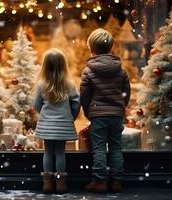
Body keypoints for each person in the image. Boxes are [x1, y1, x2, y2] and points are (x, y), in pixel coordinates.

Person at [80, 28, 131, 193]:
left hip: (98, 115)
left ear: (91, 48)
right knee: (116, 147)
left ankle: (99, 181)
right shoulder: (121, 70)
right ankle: (117, 181)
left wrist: (89, 112)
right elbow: (126, 92)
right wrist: (121, 107)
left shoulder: (88, 71)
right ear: (110, 47)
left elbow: (85, 96)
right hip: (116, 115)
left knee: (99, 148)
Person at [33, 48, 80, 194]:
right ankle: (61, 184)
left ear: (45, 66)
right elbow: (76, 102)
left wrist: (45, 115)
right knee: (60, 152)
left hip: (47, 125)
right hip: (63, 125)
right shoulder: (69, 84)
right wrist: (70, 117)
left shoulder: (42, 84)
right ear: (63, 65)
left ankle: (47, 184)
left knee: (47, 152)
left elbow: (36, 104)